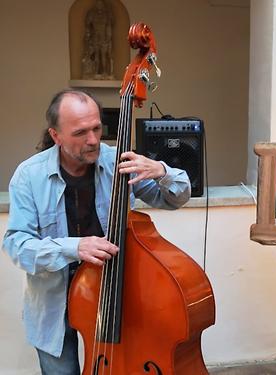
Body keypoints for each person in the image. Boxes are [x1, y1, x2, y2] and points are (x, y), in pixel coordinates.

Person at [2, 89, 191, 374]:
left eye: (96, 128)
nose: (93, 141)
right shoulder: (29, 176)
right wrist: (74, 247)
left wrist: (162, 170)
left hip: (113, 289)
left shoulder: (119, 162)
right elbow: (17, 245)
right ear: (56, 136)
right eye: (80, 133)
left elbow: (175, 198)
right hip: (54, 297)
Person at [82, 0, 114, 79]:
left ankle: (105, 71)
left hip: (104, 37)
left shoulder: (106, 14)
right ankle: (96, 71)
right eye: (98, 4)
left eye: (101, 4)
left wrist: (108, 37)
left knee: (104, 55)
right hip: (95, 36)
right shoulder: (92, 14)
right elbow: (88, 26)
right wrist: (88, 36)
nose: (99, 5)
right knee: (96, 55)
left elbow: (109, 26)